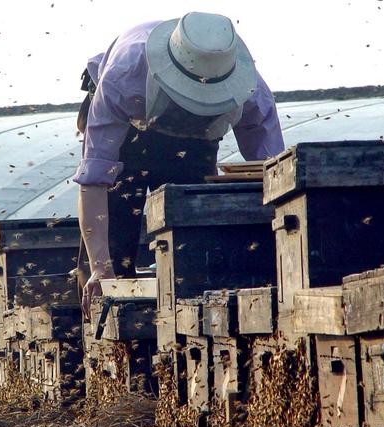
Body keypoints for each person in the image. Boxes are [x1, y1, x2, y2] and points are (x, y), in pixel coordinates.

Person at [74, 12, 285, 319]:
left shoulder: (253, 92)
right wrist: (99, 268)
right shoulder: (124, 76)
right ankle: (99, 343)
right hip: (130, 131)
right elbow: (95, 178)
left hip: (194, 147)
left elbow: (275, 176)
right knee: (112, 242)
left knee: (198, 235)